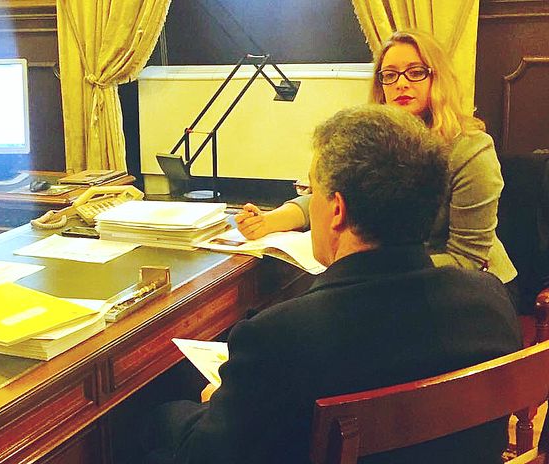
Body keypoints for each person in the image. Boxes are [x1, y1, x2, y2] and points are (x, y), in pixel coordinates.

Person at [142, 105, 521, 464]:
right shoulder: (490, 301)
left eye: (311, 191)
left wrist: (185, 408)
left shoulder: (278, 337)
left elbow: (202, 454)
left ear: (337, 209)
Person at [236, 30, 517, 288]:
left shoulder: (471, 149)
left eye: (415, 72)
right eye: (390, 75)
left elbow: (467, 258)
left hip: (471, 286)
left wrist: (370, 271)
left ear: (437, 78)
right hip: (392, 276)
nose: (401, 83)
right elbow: (331, 195)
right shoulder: (376, 143)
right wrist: (271, 220)